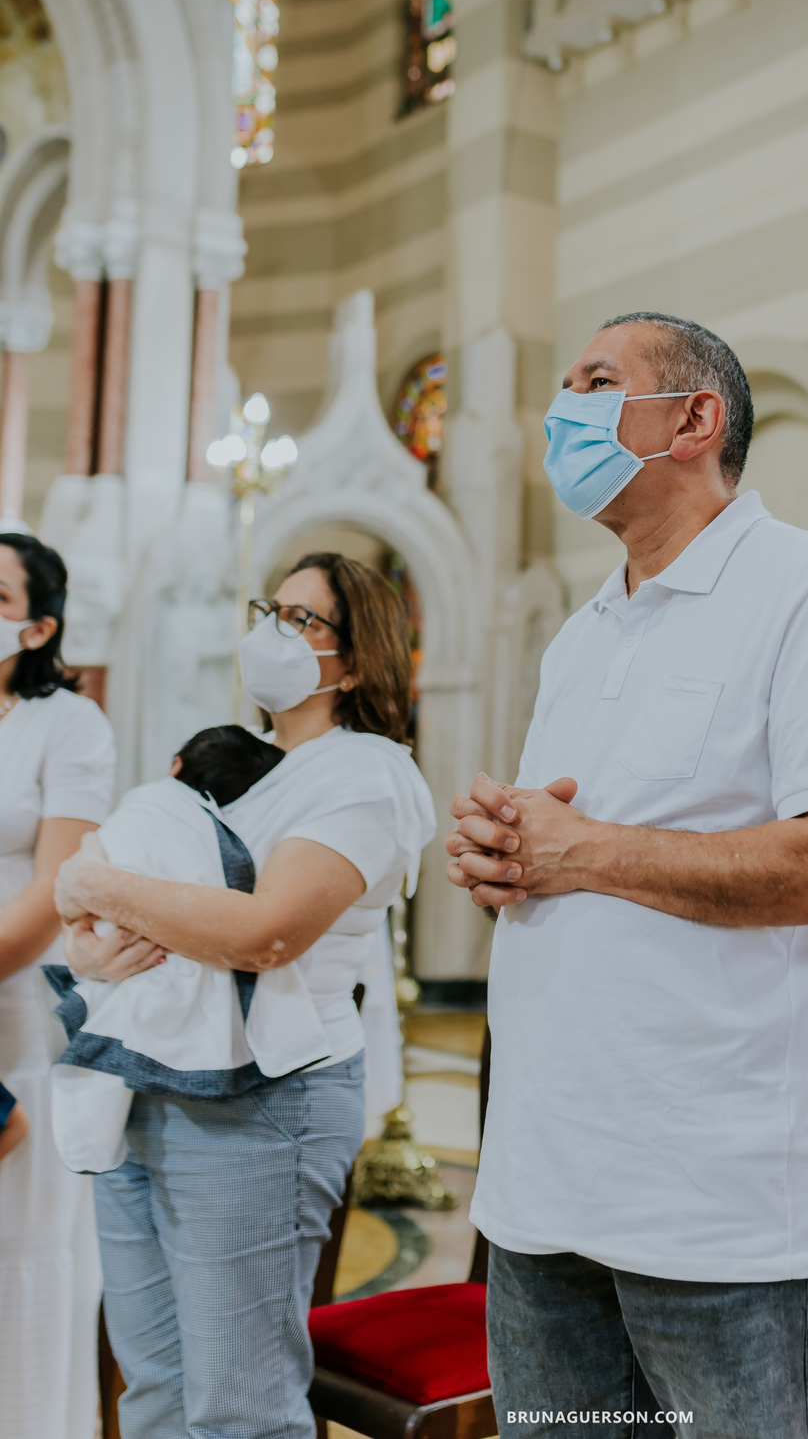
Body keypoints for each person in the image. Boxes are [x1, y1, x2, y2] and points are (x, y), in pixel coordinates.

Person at [446, 314, 808, 1439]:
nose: (563, 411)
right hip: (544, 1196)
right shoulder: (583, 635)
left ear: (697, 419)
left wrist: (581, 850)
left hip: (719, 1215)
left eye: (597, 382)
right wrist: (505, 858)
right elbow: (569, 859)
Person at [55, 553, 437, 1439]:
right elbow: (125, 892)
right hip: (143, 1077)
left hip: (263, 1103)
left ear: (357, 660)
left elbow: (264, 933)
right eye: (274, 609)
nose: (275, 631)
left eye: (305, 621)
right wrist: (96, 927)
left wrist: (93, 882)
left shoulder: (365, 771)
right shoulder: (236, 764)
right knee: (150, 1387)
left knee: (239, 1408)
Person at [46, 724, 329, 1176]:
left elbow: (80, 874)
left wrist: (85, 910)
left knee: (119, 1014)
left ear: (176, 766)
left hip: (133, 945)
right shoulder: (225, 831)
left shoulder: (144, 802)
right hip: (181, 956)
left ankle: (89, 1138)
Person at [0, 530, 117, 1439]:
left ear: (37, 629)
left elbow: (56, 884)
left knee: (19, 1260)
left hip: (19, 1014)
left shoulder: (67, 724)